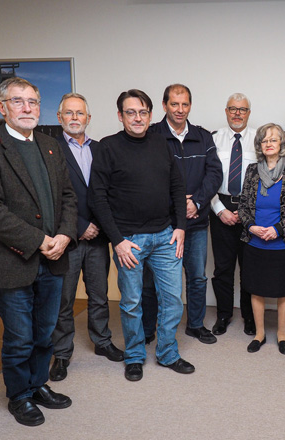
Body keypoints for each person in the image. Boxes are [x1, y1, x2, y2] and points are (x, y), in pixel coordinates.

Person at [0, 77, 76, 426]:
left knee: (45, 332)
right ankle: (18, 395)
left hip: (54, 257)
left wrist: (64, 236)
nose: (27, 108)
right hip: (12, 259)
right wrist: (39, 240)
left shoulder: (51, 145)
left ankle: (37, 383)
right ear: (3, 108)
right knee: (19, 336)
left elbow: (69, 199)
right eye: (18, 101)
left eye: (33, 101)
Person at [89, 89, 194, 382]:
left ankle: (167, 353)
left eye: (143, 112)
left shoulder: (162, 144)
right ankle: (134, 355)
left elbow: (177, 187)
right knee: (132, 302)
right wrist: (117, 239)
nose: (138, 118)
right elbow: (97, 198)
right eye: (131, 112)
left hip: (164, 237)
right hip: (129, 241)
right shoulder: (108, 148)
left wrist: (181, 227)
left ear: (151, 114)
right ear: (120, 115)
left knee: (173, 300)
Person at [49, 93, 123, 383]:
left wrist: (99, 225)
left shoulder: (101, 148)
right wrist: (79, 225)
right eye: (69, 113)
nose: (75, 118)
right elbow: (52, 197)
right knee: (64, 300)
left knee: (99, 294)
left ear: (88, 118)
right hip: (67, 238)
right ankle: (62, 353)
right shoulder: (50, 149)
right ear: (60, 118)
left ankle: (102, 341)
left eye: (80, 113)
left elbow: (109, 190)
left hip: (98, 237)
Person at [142, 84, 223, 345]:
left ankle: (196, 325)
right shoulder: (151, 134)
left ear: (190, 106)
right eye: (174, 104)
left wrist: (197, 202)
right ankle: (148, 329)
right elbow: (146, 176)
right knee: (153, 280)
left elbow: (215, 174)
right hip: (162, 223)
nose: (180, 110)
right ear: (164, 105)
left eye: (185, 104)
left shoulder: (203, 136)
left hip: (196, 221)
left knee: (197, 276)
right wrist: (177, 203)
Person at [239, 123, 285, 355]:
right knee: (256, 289)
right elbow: (243, 207)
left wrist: (277, 230)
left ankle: (281, 334)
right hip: (255, 241)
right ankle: (259, 334)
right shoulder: (251, 171)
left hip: (282, 242)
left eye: (273, 140)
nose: (269, 144)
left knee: (282, 290)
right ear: (260, 146)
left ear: (282, 144)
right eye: (264, 140)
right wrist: (252, 227)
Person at [209, 93, 257, 336]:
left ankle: (250, 317)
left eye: (243, 109)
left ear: (249, 112)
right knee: (223, 268)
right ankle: (224, 315)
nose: (237, 113)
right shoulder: (213, 139)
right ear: (226, 111)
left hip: (252, 209)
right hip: (221, 206)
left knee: (250, 268)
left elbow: (267, 179)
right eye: (233, 109)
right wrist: (219, 210)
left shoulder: (260, 139)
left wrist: (248, 211)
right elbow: (206, 179)